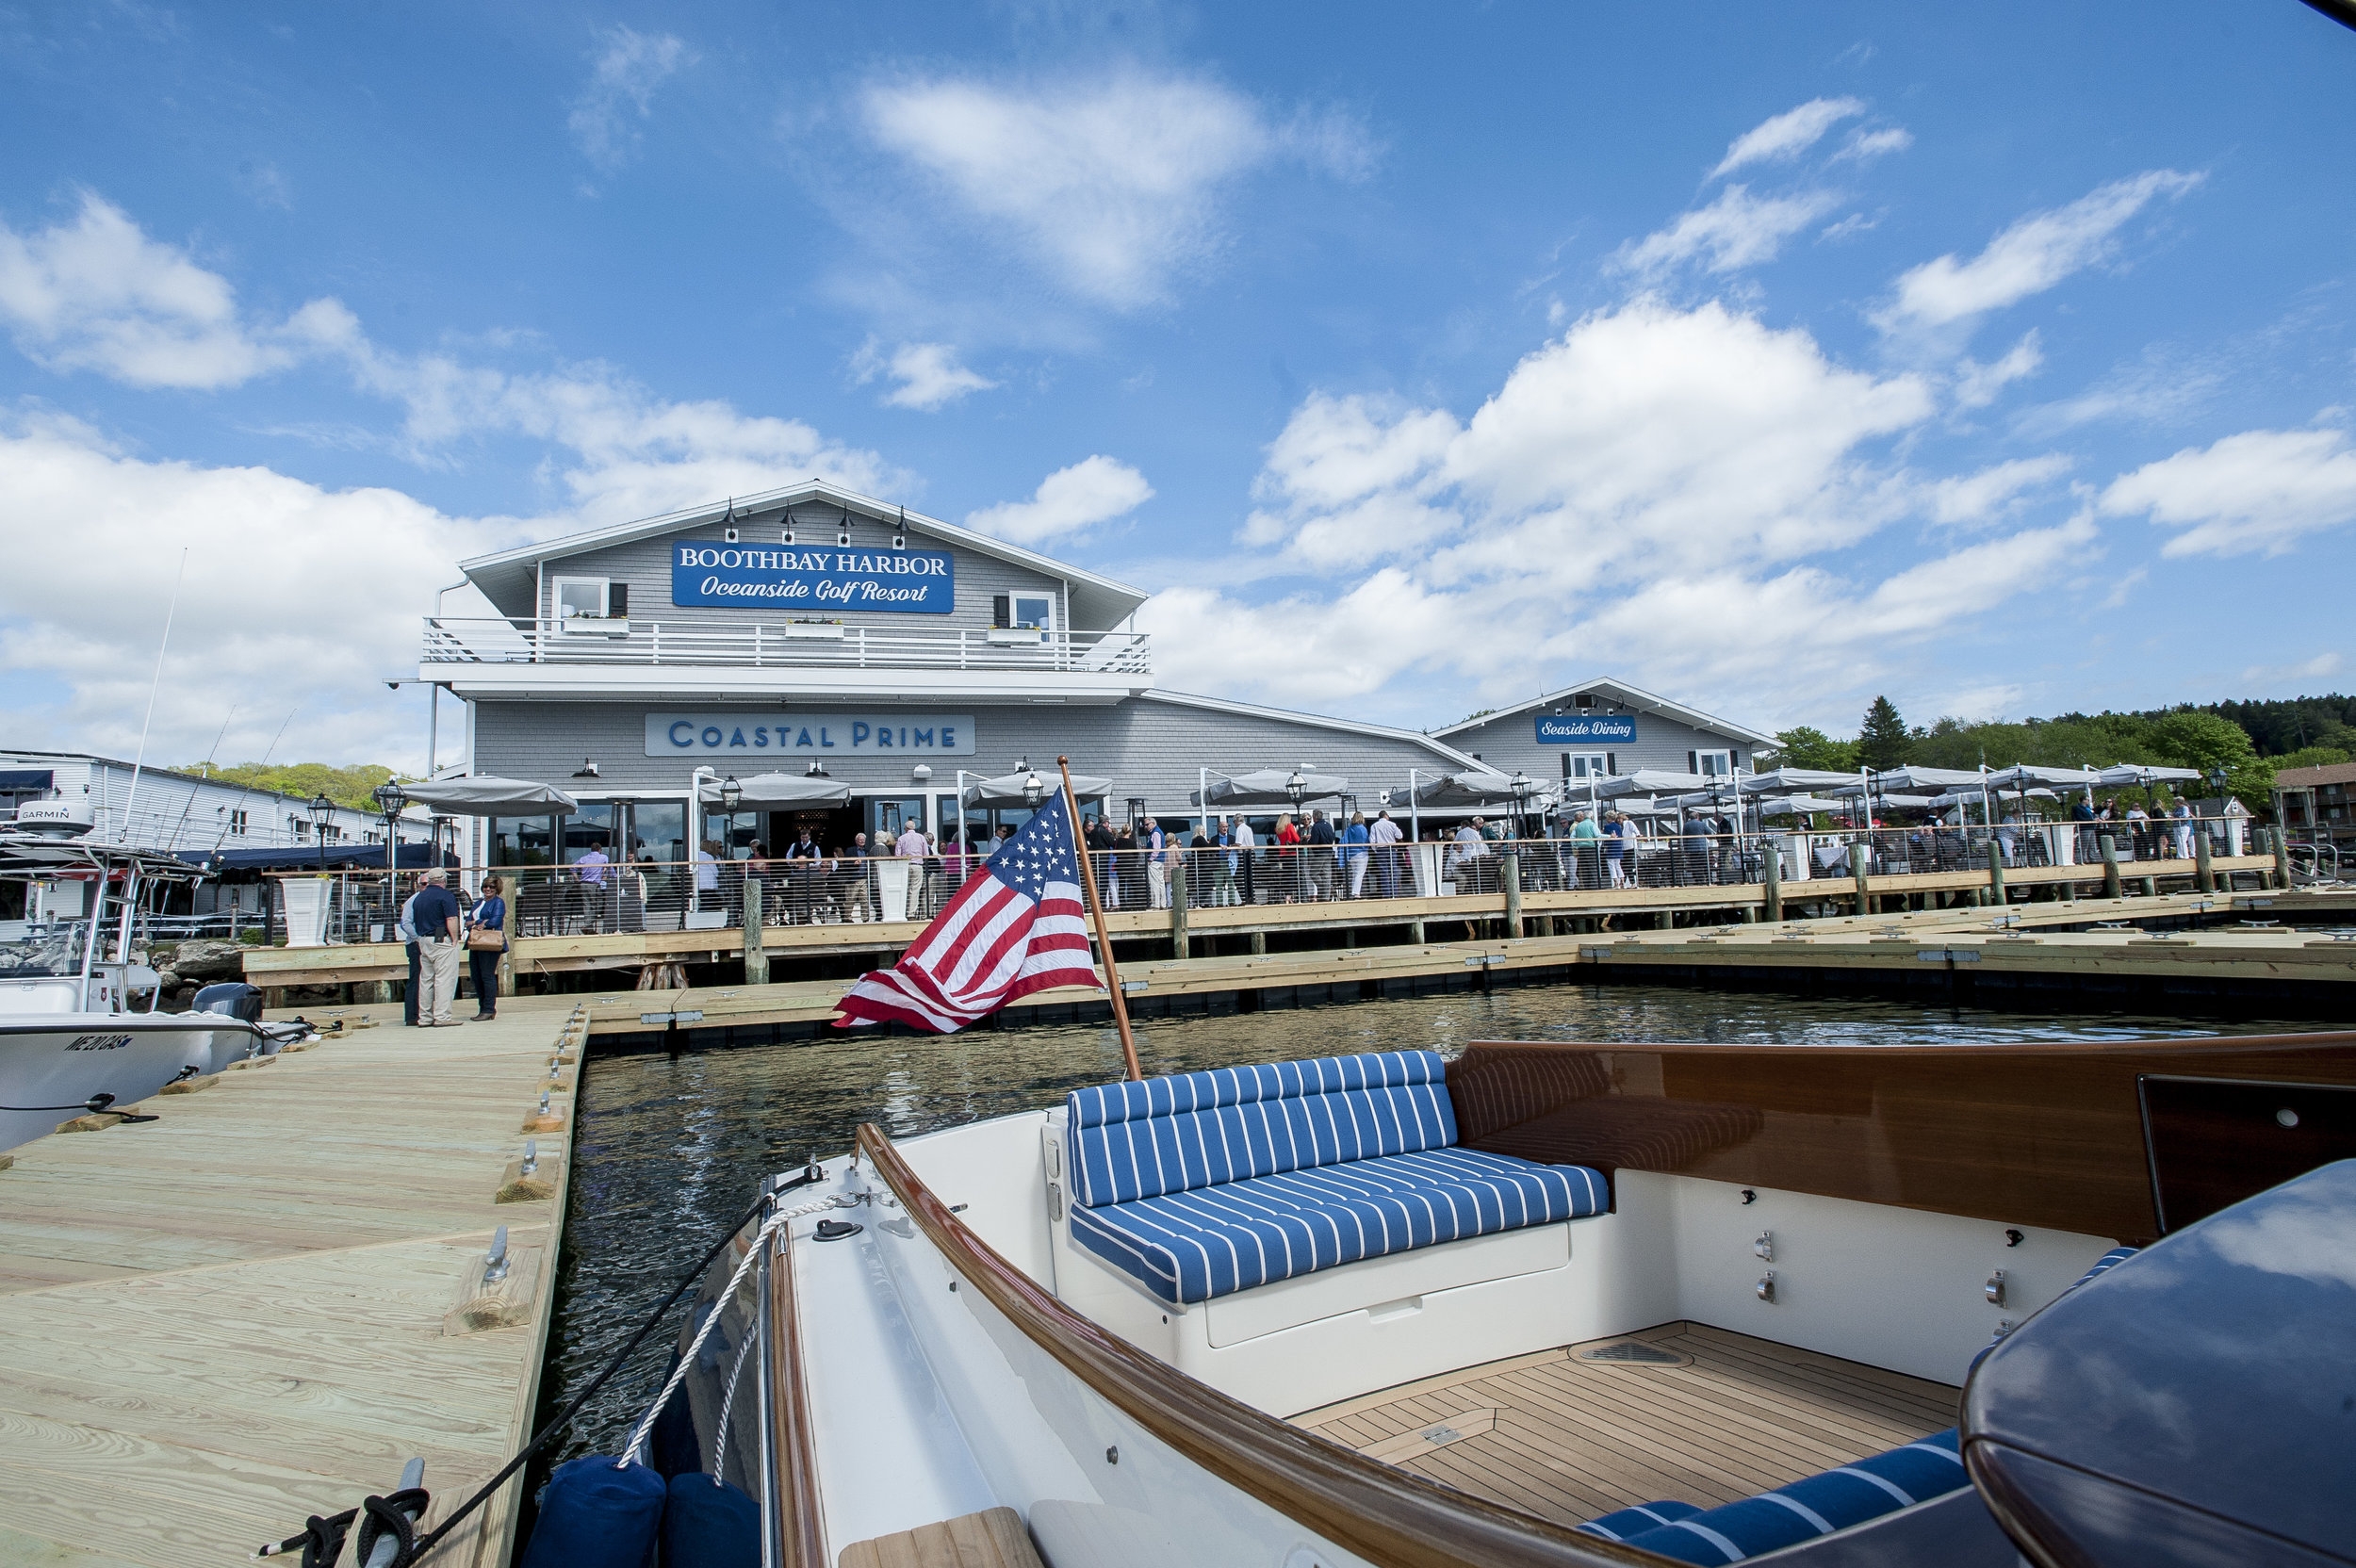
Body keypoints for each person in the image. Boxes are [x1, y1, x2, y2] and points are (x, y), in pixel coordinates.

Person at [411, 868, 465, 1026]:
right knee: (444, 979)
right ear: (443, 880)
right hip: (441, 939)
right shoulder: (446, 896)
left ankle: (425, 1017)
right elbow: (451, 918)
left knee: (426, 980)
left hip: (424, 939)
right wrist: (455, 939)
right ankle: (442, 1017)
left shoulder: (419, 897)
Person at [466, 875, 507, 1021]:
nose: (488, 889)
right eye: (485, 887)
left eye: (491, 887)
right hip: (475, 942)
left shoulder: (498, 902)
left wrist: (476, 922)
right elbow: (467, 921)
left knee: (487, 975)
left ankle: (489, 1009)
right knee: (476, 977)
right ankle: (482, 1007)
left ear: (497, 889)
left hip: (490, 943)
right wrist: (478, 923)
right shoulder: (478, 902)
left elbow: (495, 921)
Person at [397, 885, 424, 1025]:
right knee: (415, 979)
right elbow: (405, 923)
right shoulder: (413, 900)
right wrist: (418, 938)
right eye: (425, 884)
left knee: (429, 980)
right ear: (419, 885)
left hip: (430, 944)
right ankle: (412, 1016)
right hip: (415, 945)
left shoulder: (433, 900)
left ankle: (425, 1013)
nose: (427, 886)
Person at [1368, 809, 1402, 896]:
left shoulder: (1374, 826)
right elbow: (1400, 835)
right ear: (1386, 816)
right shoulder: (1392, 824)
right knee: (1393, 871)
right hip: (1391, 849)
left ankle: (1386, 894)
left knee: (1383, 872)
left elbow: (1372, 840)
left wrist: (1375, 849)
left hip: (1381, 850)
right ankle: (1394, 893)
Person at [1306, 808, 1338, 902]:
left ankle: (1324, 889)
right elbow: (1332, 837)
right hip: (1329, 852)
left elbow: (1314, 841)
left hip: (1320, 853)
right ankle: (1325, 897)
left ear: (1314, 817)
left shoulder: (1316, 827)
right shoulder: (1328, 825)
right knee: (1327, 875)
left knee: (1313, 873)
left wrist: (1309, 842)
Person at [1570, 808, 1602, 890]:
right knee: (1593, 868)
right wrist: (1607, 838)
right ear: (1591, 817)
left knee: (1584, 869)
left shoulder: (1579, 825)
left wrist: (1576, 846)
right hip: (1591, 848)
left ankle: (1587, 886)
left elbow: (1572, 837)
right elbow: (1598, 835)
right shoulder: (1592, 824)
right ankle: (1595, 886)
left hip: (1581, 849)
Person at [1209, 817, 1237, 906]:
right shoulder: (1214, 839)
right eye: (1223, 827)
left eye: (1226, 827)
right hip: (1218, 862)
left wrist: (1230, 850)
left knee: (1231, 882)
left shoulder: (1232, 838)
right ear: (1219, 828)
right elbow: (1211, 849)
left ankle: (1232, 901)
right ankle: (1220, 903)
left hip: (1229, 863)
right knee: (1219, 883)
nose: (1225, 828)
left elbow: (1236, 849)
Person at [1342, 811, 1370, 898]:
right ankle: (1356, 893)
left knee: (1355, 873)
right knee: (1359, 873)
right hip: (1361, 854)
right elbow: (1366, 841)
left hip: (1351, 854)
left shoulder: (1349, 829)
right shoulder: (1363, 829)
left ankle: (1354, 892)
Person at [1144, 816, 1169, 908]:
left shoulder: (1156, 833)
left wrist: (1150, 859)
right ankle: (1163, 903)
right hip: (1160, 860)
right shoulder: (1158, 832)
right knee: (1160, 882)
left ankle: (1155, 904)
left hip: (1155, 861)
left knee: (1154, 882)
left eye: (1147, 824)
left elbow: (1156, 848)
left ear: (1153, 823)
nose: (1146, 827)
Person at [1234, 815, 1258, 904]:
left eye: (1234, 822)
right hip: (1252, 853)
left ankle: (1246, 898)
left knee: (1240, 877)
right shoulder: (1248, 828)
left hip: (1245, 854)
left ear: (1236, 821)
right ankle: (1251, 897)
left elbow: (1239, 843)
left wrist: (1230, 847)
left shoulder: (1240, 829)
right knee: (1250, 876)